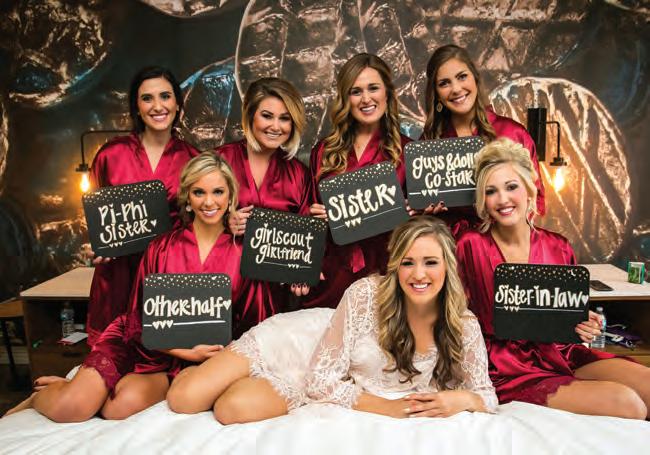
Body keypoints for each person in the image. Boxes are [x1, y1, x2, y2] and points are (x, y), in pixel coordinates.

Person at [166, 216, 497, 423]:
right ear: (395, 266)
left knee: (230, 409)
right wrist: (387, 408)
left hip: (321, 380)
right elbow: (321, 377)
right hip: (303, 344)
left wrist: (462, 399)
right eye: (407, 263)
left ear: (448, 266)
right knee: (184, 399)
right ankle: (206, 372)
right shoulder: (366, 293)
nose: (419, 274)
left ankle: (231, 380)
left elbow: (486, 394)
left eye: (431, 262)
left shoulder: (463, 323)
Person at [5, 153, 249, 421]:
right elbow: (138, 320)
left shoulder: (242, 253)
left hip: (189, 365)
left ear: (230, 196)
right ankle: (45, 395)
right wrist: (186, 351)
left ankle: (79, 385)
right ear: (187, 198)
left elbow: (248, 324)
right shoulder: (161, 247)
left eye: (218, 191)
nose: (209, 202)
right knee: (72, 408)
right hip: (143, 346)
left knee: (117, 408)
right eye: (199, 192)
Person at [456, 138, 650, 419]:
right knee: (629, 404)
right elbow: (453, 312)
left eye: (511, 187)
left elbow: (565, 313)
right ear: (482, 201)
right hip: (507, 367)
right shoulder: (469, 245)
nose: (503, 199)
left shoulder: (559, 246)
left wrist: (583, 323)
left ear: (529, 190)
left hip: (561, 352)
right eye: (491, 191)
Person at [87, 66, 199, 346]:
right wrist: (98, 245)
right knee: (112, 355)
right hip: (119, 274)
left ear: (177, 103)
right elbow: (98, 218)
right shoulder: (110, 155)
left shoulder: (193, 159)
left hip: (169, 273)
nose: (158, 106)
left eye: (165, 96)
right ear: (136, 107)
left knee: (164, 356)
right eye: (147, 98)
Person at [301, 53, 412, 308]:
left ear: (387, 93)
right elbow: (309, 216)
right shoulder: (324, 151)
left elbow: (415, 227)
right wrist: (319, 217)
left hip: (385, 274)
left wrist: (413, 212)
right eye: (356, 91)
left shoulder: (407, 152)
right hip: (332, 274)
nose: (366, 99)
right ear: (345, 98)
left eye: (373, 88)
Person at [421, 44, 545, 237]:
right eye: (444, 83)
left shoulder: (512, 133)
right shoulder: (428, 143)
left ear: (475, 79)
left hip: (502, 245)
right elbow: (418, 208)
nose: (456, 89)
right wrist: (427, 213)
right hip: (448, 246)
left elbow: (537, 199)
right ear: (436, 93)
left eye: (462, 77)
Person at [215, 77, 310, 317]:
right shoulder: (220, 161)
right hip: (224, 287)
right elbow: (189, 220)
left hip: (276, 295)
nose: (276, 126)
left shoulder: (299, 174)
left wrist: (303, 272)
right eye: (267, 116)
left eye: (284, 118)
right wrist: (223, 222)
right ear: (250, 115)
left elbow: (305, 240)